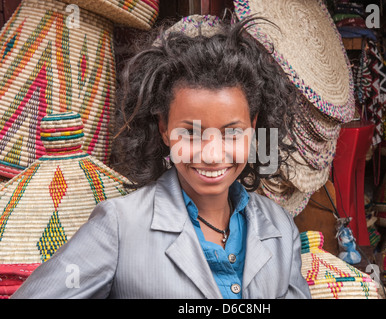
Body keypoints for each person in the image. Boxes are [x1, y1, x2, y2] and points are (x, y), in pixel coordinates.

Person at [11, 15, 311, 299]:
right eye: (191, 133)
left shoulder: (279, 227)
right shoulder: (119, 226)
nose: (212, 153)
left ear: (254, 126)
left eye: (232, 133)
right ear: (164, 128)